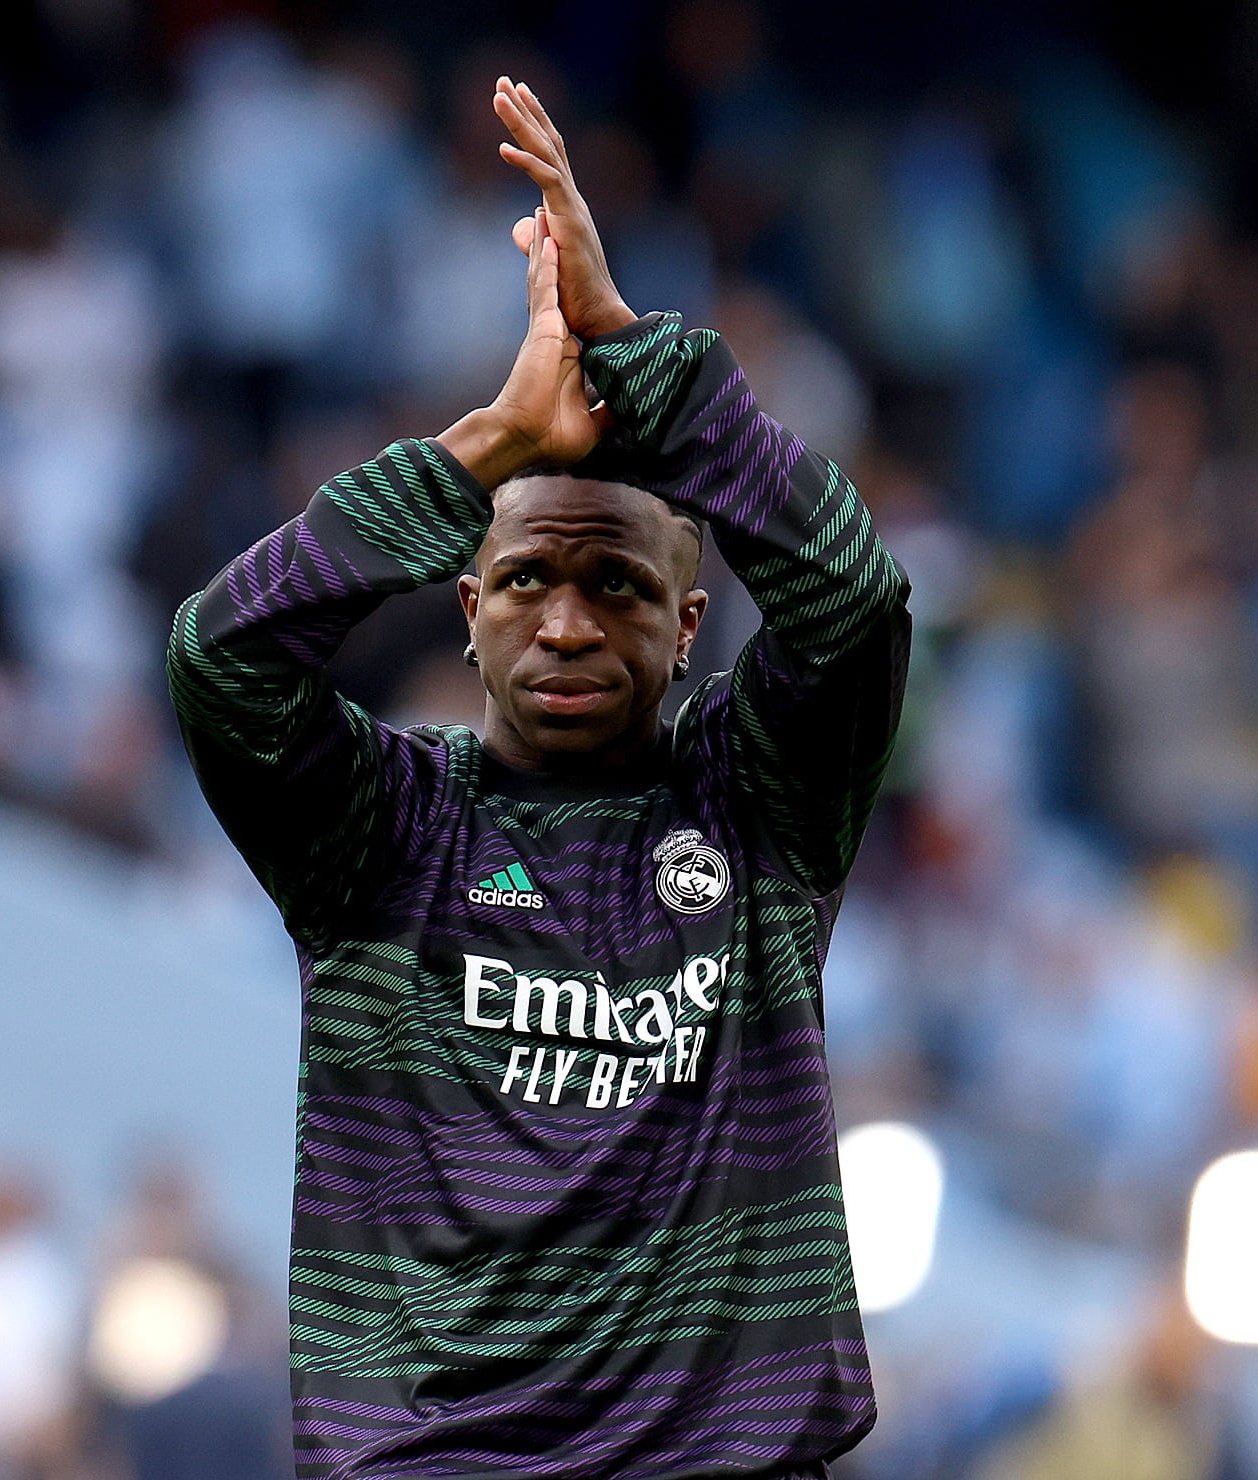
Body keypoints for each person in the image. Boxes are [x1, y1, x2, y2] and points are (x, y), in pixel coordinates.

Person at [165, 75, 910, 1480]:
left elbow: (859, 609)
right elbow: (220, 662)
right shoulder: (380, 823)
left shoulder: (757, 809)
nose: (567, 621)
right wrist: (480, 450)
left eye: (618, 585)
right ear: (467, 606)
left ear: (689, 629)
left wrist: (643, 355)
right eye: (525, 579)